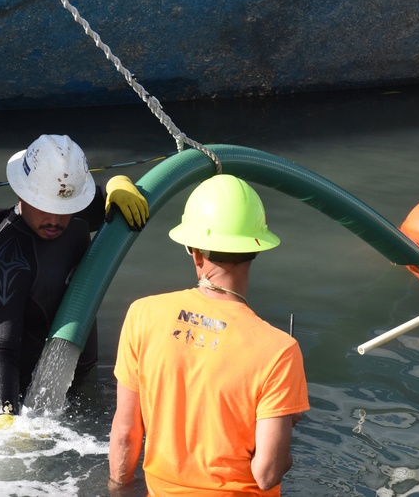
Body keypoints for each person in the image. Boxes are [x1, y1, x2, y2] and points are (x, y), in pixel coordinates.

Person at [109, 174, 309, 496]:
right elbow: (267, 474)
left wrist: (118, 489)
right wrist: (283, 426)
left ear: (194, 250)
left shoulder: (142, 314)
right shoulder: (279, 350)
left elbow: (125, 433)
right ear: (256, 249)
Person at [0, 134, 149, 428]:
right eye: (44, 207)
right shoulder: (5, 259)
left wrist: (118, 183)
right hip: (37, 404)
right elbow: (0, 350)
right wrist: (6, 418)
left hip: (86, 385)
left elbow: (102, 200)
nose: (55, 221)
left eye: (64, 210)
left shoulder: (71, 212)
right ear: (22, 194)